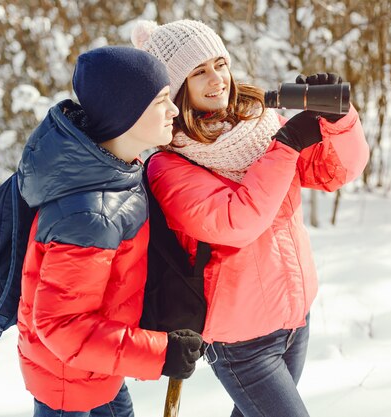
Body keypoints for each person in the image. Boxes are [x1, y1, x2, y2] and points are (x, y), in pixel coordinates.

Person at [132, 20, 369, 417]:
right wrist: (287, 145)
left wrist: (338, 121)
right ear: (175, 89)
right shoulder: (167, 162)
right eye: (198, 72)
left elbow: (333, 172)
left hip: (295, 318)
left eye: (220, 64)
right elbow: (235, 221)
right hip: (241, 342)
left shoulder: (258, 127)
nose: (217, 79)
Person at [16, 46, 203, 417]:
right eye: (162, 100)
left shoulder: (115, 171)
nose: (175, 110)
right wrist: (161, 353)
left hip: (95, 369)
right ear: (126, 114)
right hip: (71, 383)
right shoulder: (89, 213)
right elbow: (62, 326)